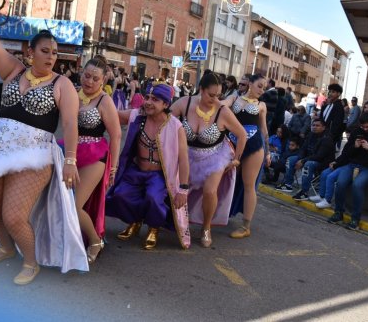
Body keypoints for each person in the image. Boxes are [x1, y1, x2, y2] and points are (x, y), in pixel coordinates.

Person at [0, 0, 88, 284]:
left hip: (35, 154)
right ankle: (6, 247)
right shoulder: (13, 69)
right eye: (45, 51)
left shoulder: (62, 85)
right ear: (30, 52)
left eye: (54, 53)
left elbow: (71, 123)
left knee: (13, 216)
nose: (51, 57)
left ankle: (30, 261)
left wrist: (71, 160)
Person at [106, 83, 191, 250]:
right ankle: (135, 221)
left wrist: (183, 189)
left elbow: (183, 159)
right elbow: (111, 114)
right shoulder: (136, 116)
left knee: (153, 198)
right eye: (147, 98)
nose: (148, 102)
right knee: (120, 195)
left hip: (160, 175)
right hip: (136, 170)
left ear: (166, 104)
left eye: (155, 99)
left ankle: (153, 228)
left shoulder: (175, 126)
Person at [170, 73, 247, 247]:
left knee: (210, 191)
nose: (215, 99)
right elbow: (165, 120)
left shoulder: (223, 111)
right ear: (201, 89)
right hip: (188, 155)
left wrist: (236, 159)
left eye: (219, 95)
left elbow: (242, 135)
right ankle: (178, 222)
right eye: (211, 95)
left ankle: (206, 228)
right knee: (175, 188)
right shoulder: (185, 102)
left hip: (215, 156)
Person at [67, 55, 121, 263]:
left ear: (103, 81)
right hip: (71, 151)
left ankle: (95, 240)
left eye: (95, 79)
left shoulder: (104, 101)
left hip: (95, 155)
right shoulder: (72, 94)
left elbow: (115, 135)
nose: (89, 81)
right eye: (86, 76)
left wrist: (113, 168)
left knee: (74, 204)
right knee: (60, 199)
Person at [224, 73, 271, 238]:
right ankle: (216, 213)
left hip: (254, 145)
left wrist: (268, 152)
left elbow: (264, 129)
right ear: (250, 83)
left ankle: (245, 227)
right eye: (259, 86)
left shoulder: (262, 105)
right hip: (231, 143)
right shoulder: (234, 99)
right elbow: (222, 104)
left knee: (249, 185)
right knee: (222, 178)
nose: (262, 90)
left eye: (264, 88)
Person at [325, 112, 368, 229]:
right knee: (340, 183)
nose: (365, 129)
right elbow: (346, 153)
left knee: (357, 185)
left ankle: (355, 218)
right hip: (352, 164)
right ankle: (339, 212)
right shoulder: (356, 132)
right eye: (363, 127)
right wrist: (354, 147)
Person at [287, 119, 336, 200]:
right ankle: (287, 184)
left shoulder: (327, 138)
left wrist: (303, 161)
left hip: (322, 163)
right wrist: (300, 159)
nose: (314, 127)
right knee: (291, 159)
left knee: (308, 165)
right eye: (313, 125)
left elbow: (319, 156)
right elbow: (303, 149)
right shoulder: (310, 135)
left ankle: (304, 192)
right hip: (309, 159)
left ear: (323, 127)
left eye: (317, 126)